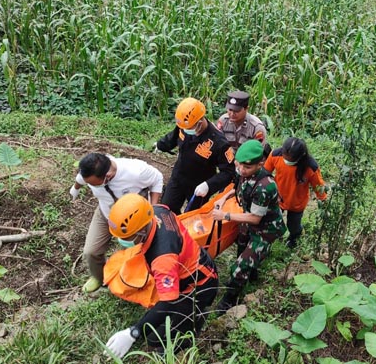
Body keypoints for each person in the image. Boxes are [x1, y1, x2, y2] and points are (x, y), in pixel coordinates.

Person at [104, 194, 218, 359]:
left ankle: (193, 326)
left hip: (198, 286)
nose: (122, 241)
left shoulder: (163, 259)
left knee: (155, 338)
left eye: (126, 237)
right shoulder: (157, 211)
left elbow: (169, 301)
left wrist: (134, 332)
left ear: (142, 230)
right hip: (196, 261)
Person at [69, 152, 163, 293]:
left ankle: (134, 280)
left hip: (132, 218)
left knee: (133, 251)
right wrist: (75, 189)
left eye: (94, 184)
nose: (90, 185)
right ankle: (100, 277)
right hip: (106, 213)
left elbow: (157, 179)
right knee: (91, 251)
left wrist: (153, 209)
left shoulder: (135, 172)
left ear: (107, 177)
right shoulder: (89, 173)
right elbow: (80, 179)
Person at [210, 140, 285, 313]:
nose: (242, 170)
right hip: (248, 221)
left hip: (265, 229)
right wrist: (223, 197)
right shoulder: (243, 169)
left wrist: (225, 216)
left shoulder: (265, 186)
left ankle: (230, 299)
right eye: (239, 165)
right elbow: (237, 185)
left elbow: (255, 218)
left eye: (247, 167)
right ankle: (252, 272)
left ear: (260, 164)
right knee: (241, 244)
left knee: (239, 267)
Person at [155, 97, 236, 214]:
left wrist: (208, 185)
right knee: (167, 209)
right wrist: (160, 145)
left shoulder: (219, 142)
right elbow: (173, 137)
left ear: (199, 122)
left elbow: (229, 172)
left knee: (193, 217)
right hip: (178, 176)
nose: (186, 130)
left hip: (199, 186)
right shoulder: (185, 125)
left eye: (190, 128)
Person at [264, 137, 327, 249]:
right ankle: (277, 236)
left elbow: (319, 187)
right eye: (284, 156)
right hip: (277, 197)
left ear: (300, 157)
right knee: (272, 220)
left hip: (297, 202)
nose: (286, 160)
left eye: (290, 159)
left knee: (293, 225)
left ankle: (294, 238)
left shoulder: (310, 167)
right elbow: (265, 173)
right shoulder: (275, 155)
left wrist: (323, 202)